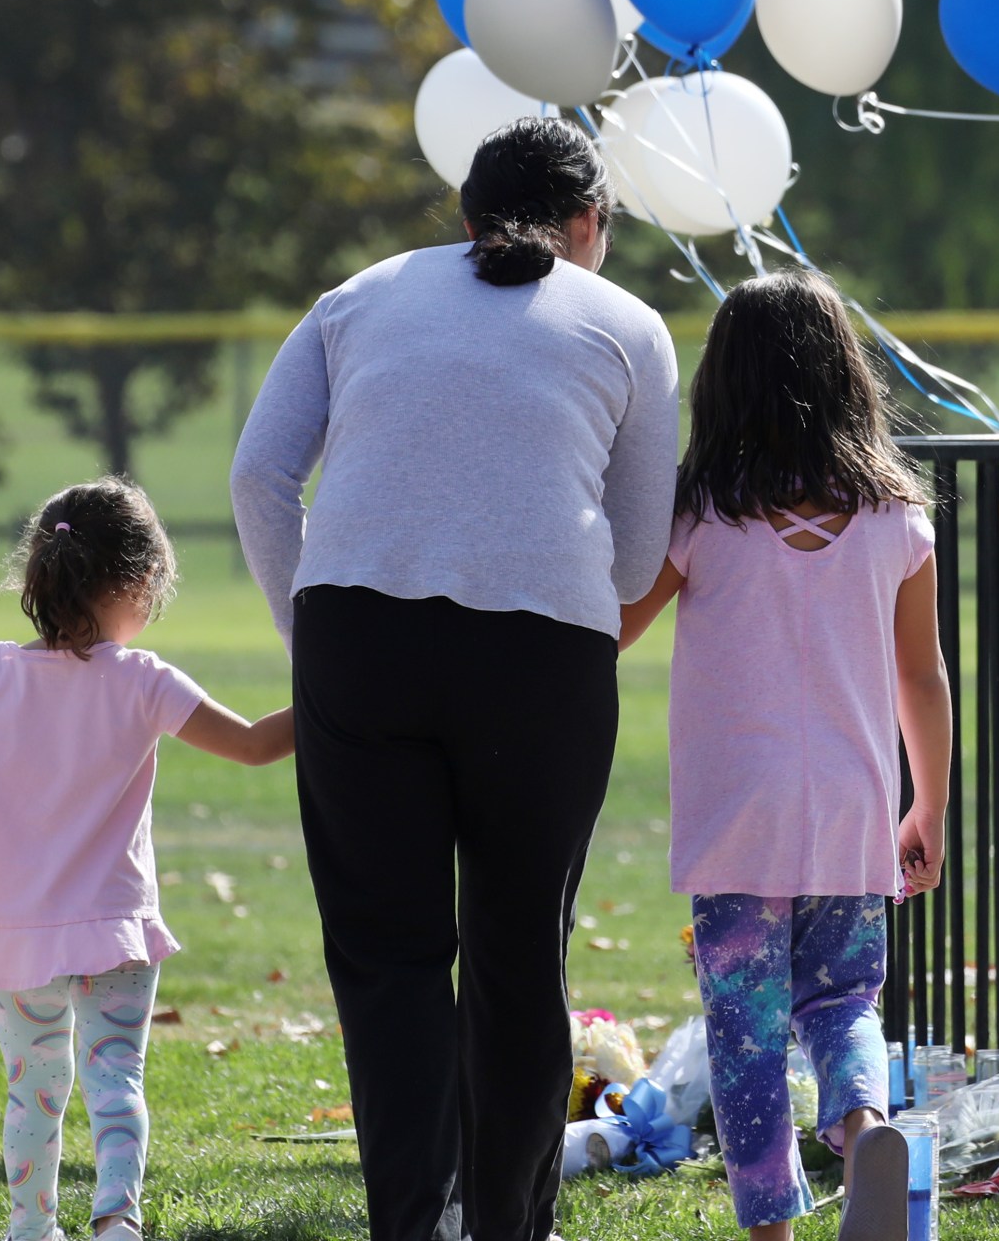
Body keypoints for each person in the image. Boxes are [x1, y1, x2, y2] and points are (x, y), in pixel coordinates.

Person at [230, 117, 680, 1241]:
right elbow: (633, 558)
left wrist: (317, 625)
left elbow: (259, 474)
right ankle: (506, 1225)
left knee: (387, 961)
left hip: (356, 632)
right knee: (520, 954)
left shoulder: (357, 296)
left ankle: (408, 1222)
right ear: (589, 224)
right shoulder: (627, 324)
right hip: (540, 655)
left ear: (468, 218)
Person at [617, 270, 954, 1241]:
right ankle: (863, 1123)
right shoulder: (899, 521)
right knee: (844, 999)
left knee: (747, 1032)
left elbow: (611, 631)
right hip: (851, 805)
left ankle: (770, 1228)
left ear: (722, 383)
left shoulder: (702, 516)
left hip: (736, 819)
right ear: (846, 375)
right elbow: (921, 679)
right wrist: (926, 805)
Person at [0, 477, 295, 1241]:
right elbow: (256, 745)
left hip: (14, 931)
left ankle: (31, 1227)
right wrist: (345, 693)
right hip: (114, 931)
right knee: (115, 1079)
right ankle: (117, 1220)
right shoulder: (144, 680)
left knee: (33, 1086)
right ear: (139, 581)